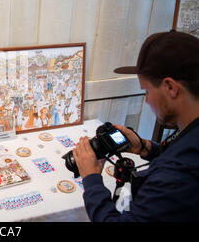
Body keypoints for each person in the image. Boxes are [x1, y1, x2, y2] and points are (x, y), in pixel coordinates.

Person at [73, 30, 199, 221]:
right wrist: (146, 148)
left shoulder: (175, 175)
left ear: (171, 87)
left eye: (147, 91)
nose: (147, 101)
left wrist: (91, 179)